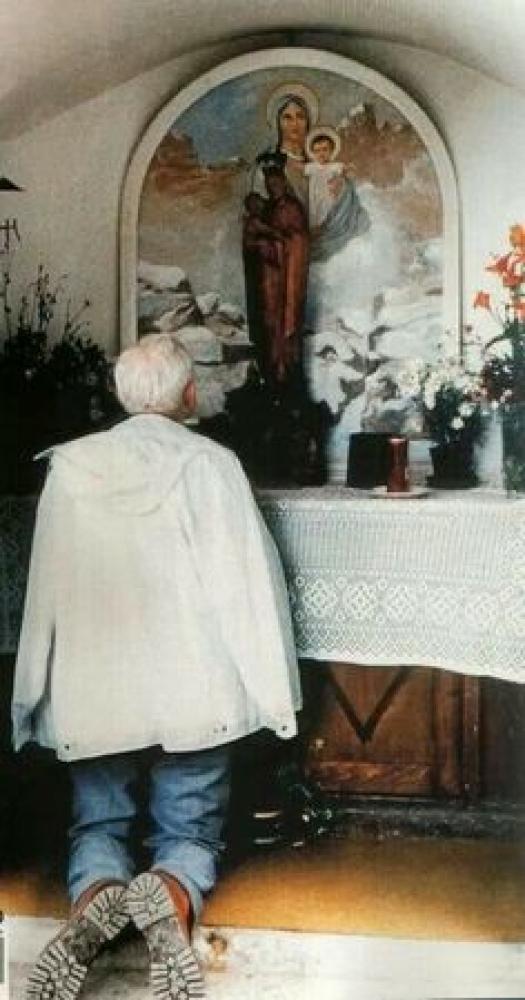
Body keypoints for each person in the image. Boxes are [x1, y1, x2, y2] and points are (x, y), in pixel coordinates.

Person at [12, 333, 301, 1000]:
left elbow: (45, 588)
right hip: (192, 682)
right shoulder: (211, 465)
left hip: (95, 682)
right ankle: (169, 897)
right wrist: (272, 695)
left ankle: (95, 902)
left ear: (120, 394)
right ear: (189, 394)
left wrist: (28, 698)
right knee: (189, 826)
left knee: (97, 822)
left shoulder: (70, 468)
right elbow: (245, 586)